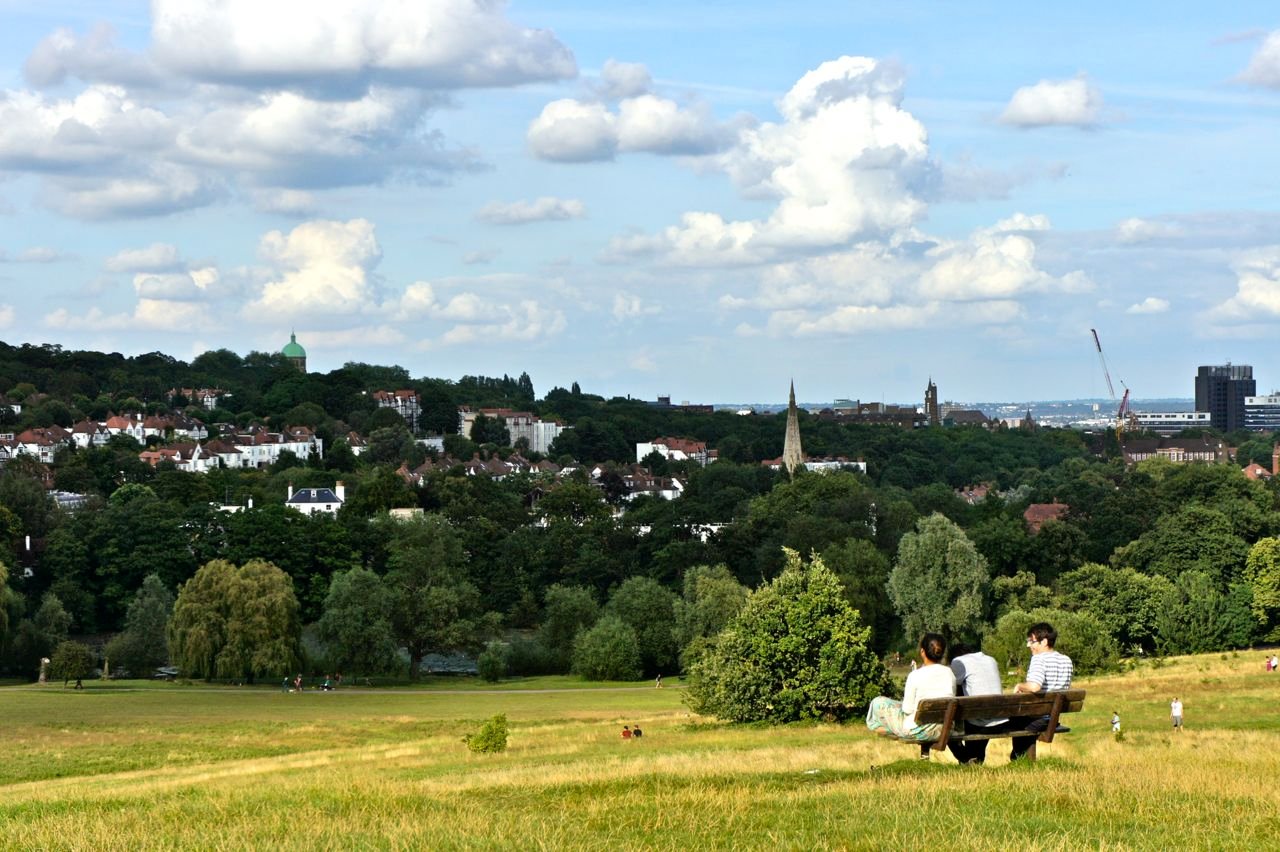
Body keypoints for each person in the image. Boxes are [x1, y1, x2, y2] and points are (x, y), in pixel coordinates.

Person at [866, 633, 957, 756]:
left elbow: (907, 709)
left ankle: (887, 731)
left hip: (919, 730)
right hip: (945, 729)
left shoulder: (915, 675)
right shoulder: (949, 673)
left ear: (922, 652)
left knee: (878, 702)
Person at [1009, 621, 1073, 761]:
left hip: (1036, 718)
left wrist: (1020, 686)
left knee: (1010, 720)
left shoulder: (1038, 659)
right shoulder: (1066, 660)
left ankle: (1019, 759)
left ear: (1044, 642)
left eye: (1031, 641)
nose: (1028, 645)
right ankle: (1019, 758)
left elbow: (1035, 687)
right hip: (1053, 718)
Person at [946, 642, 1007, 765]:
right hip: (1000, 721)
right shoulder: (990, 659)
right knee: (976, 714)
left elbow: (953, 690)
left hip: (980, 722)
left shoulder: (958, 661)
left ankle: (965, 759)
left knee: (946, 729)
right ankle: (975, 761)